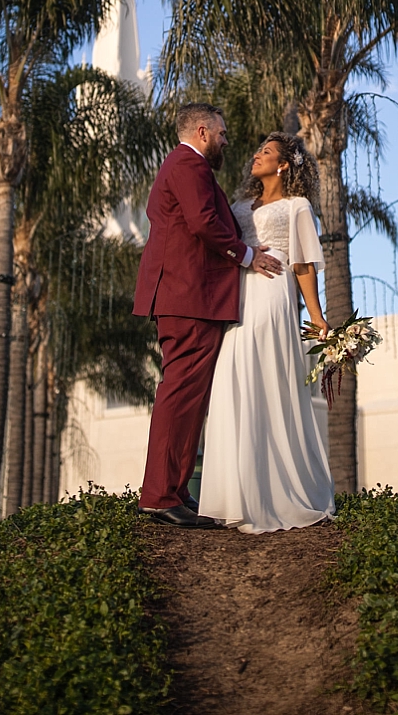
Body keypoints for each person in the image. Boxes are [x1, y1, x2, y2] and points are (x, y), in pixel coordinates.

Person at [133, 103, 285, 528]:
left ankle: (174, 491)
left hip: (192, 299)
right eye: (220, 133)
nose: (225, 140)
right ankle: (160, 494)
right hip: (187, 298)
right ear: (202, 131)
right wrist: (248, 255)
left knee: (189, 397)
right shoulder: (187, 164)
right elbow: (202, 222)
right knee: (180, 394)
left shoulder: (189, 167)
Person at [196, 131, 338, 532]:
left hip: (273, 292)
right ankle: (233, 494)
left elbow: (304, 264)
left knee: (266, 377)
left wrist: (317, 316)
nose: (256, 155)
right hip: (236, 292)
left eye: (267, 152)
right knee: (232, 377)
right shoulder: (239, 204)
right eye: (257, 149)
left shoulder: (297, 206)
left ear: (284, 165)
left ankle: (278, 492)